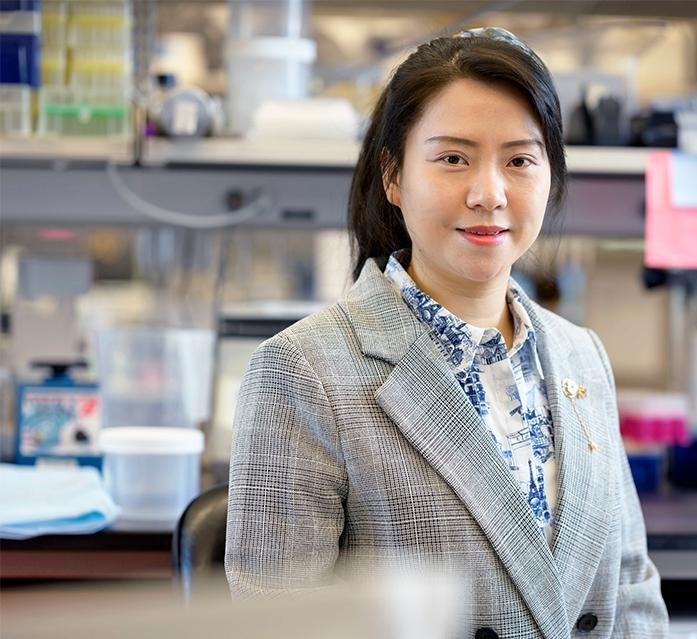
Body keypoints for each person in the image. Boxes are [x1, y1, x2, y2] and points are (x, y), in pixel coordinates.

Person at [226, 27, 669, 639]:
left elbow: (631, 590)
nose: (489, 194)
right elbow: (276, 626)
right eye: (453, 158)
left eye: (519, 160)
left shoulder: (580, 356)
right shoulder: (302, 372)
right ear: (394, 177)